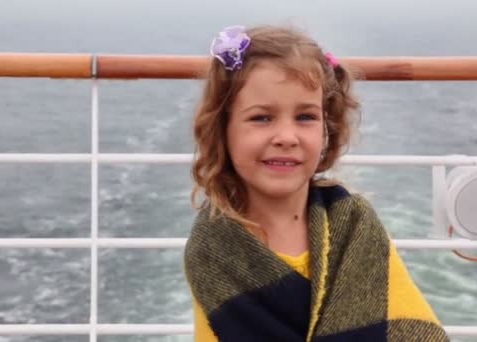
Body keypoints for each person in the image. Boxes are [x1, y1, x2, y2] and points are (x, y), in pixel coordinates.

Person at [184, 24, 448, 341]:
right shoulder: (214, 248)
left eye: (305, 117)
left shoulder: (354, 224)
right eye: (262, 117)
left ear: (327, 128)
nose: (286, 137)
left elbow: (413, 329)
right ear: (222, 130)